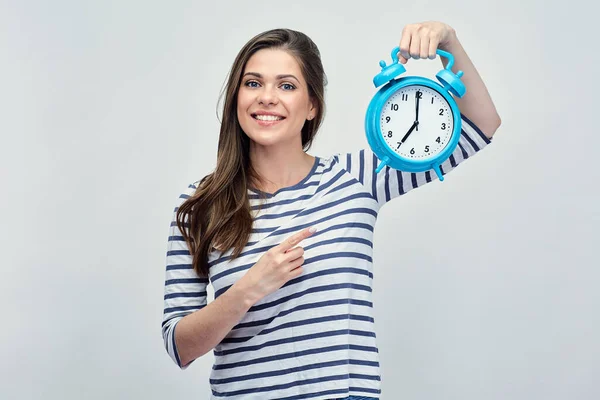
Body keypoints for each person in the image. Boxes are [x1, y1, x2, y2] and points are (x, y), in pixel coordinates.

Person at [161, 21, 501, 400]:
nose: (266, 97)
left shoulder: (357, 178)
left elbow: (481, 125)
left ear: (311, 106)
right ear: (236, 98)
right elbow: (179, 346)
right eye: (253, 83)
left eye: (286, 85)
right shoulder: (200, 205)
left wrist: (447, 40)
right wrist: (246, 291)